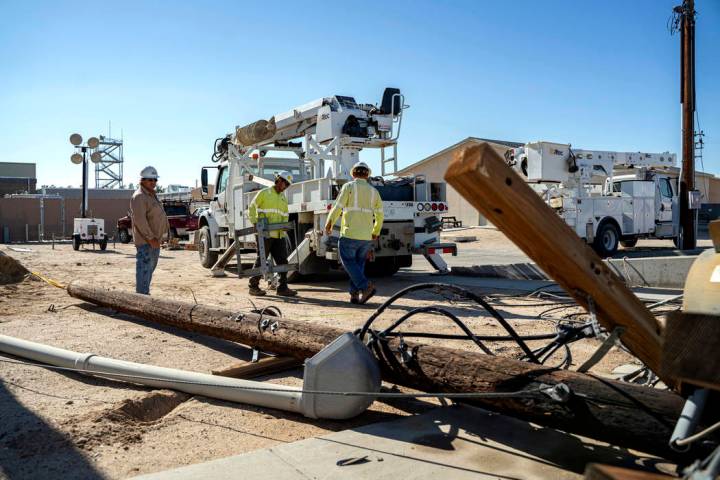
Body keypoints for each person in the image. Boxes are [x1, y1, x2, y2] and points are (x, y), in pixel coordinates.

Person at [324, 162, 383, 304]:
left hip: (350, 234)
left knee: (348, 263)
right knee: (358, 265)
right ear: (367, 175)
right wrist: (376, 231)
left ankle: (365, 286)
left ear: (353, 174)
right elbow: (380, 215)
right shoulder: (374, 191)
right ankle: (354, 295)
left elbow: (337, 207)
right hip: (366, 237)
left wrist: (329, 223)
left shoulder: (348, 187)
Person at [247, 171, 298, 297]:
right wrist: (254, 222)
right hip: (264, 233)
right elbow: (252, 207)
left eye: (288, 185)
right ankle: (253, 286)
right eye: (285, 183)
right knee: (262, 261)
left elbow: (285, 214)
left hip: (279, 235)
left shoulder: (282, 198)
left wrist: (285, 227)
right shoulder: (264, 193)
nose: (285, 187)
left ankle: (282, 288)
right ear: (279, 180)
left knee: (283, 261)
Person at [130, 166, 169, 295]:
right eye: (149, 180)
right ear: (142, 180)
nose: (153, 182)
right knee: (144, 270)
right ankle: (141, 298)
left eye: (154, 180)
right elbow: (140, 220)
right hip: (146, 242)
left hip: (154, 241)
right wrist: (151, 238)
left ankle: (143, 295)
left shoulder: (151, 195)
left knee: (148, 272)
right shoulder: (140, 196)